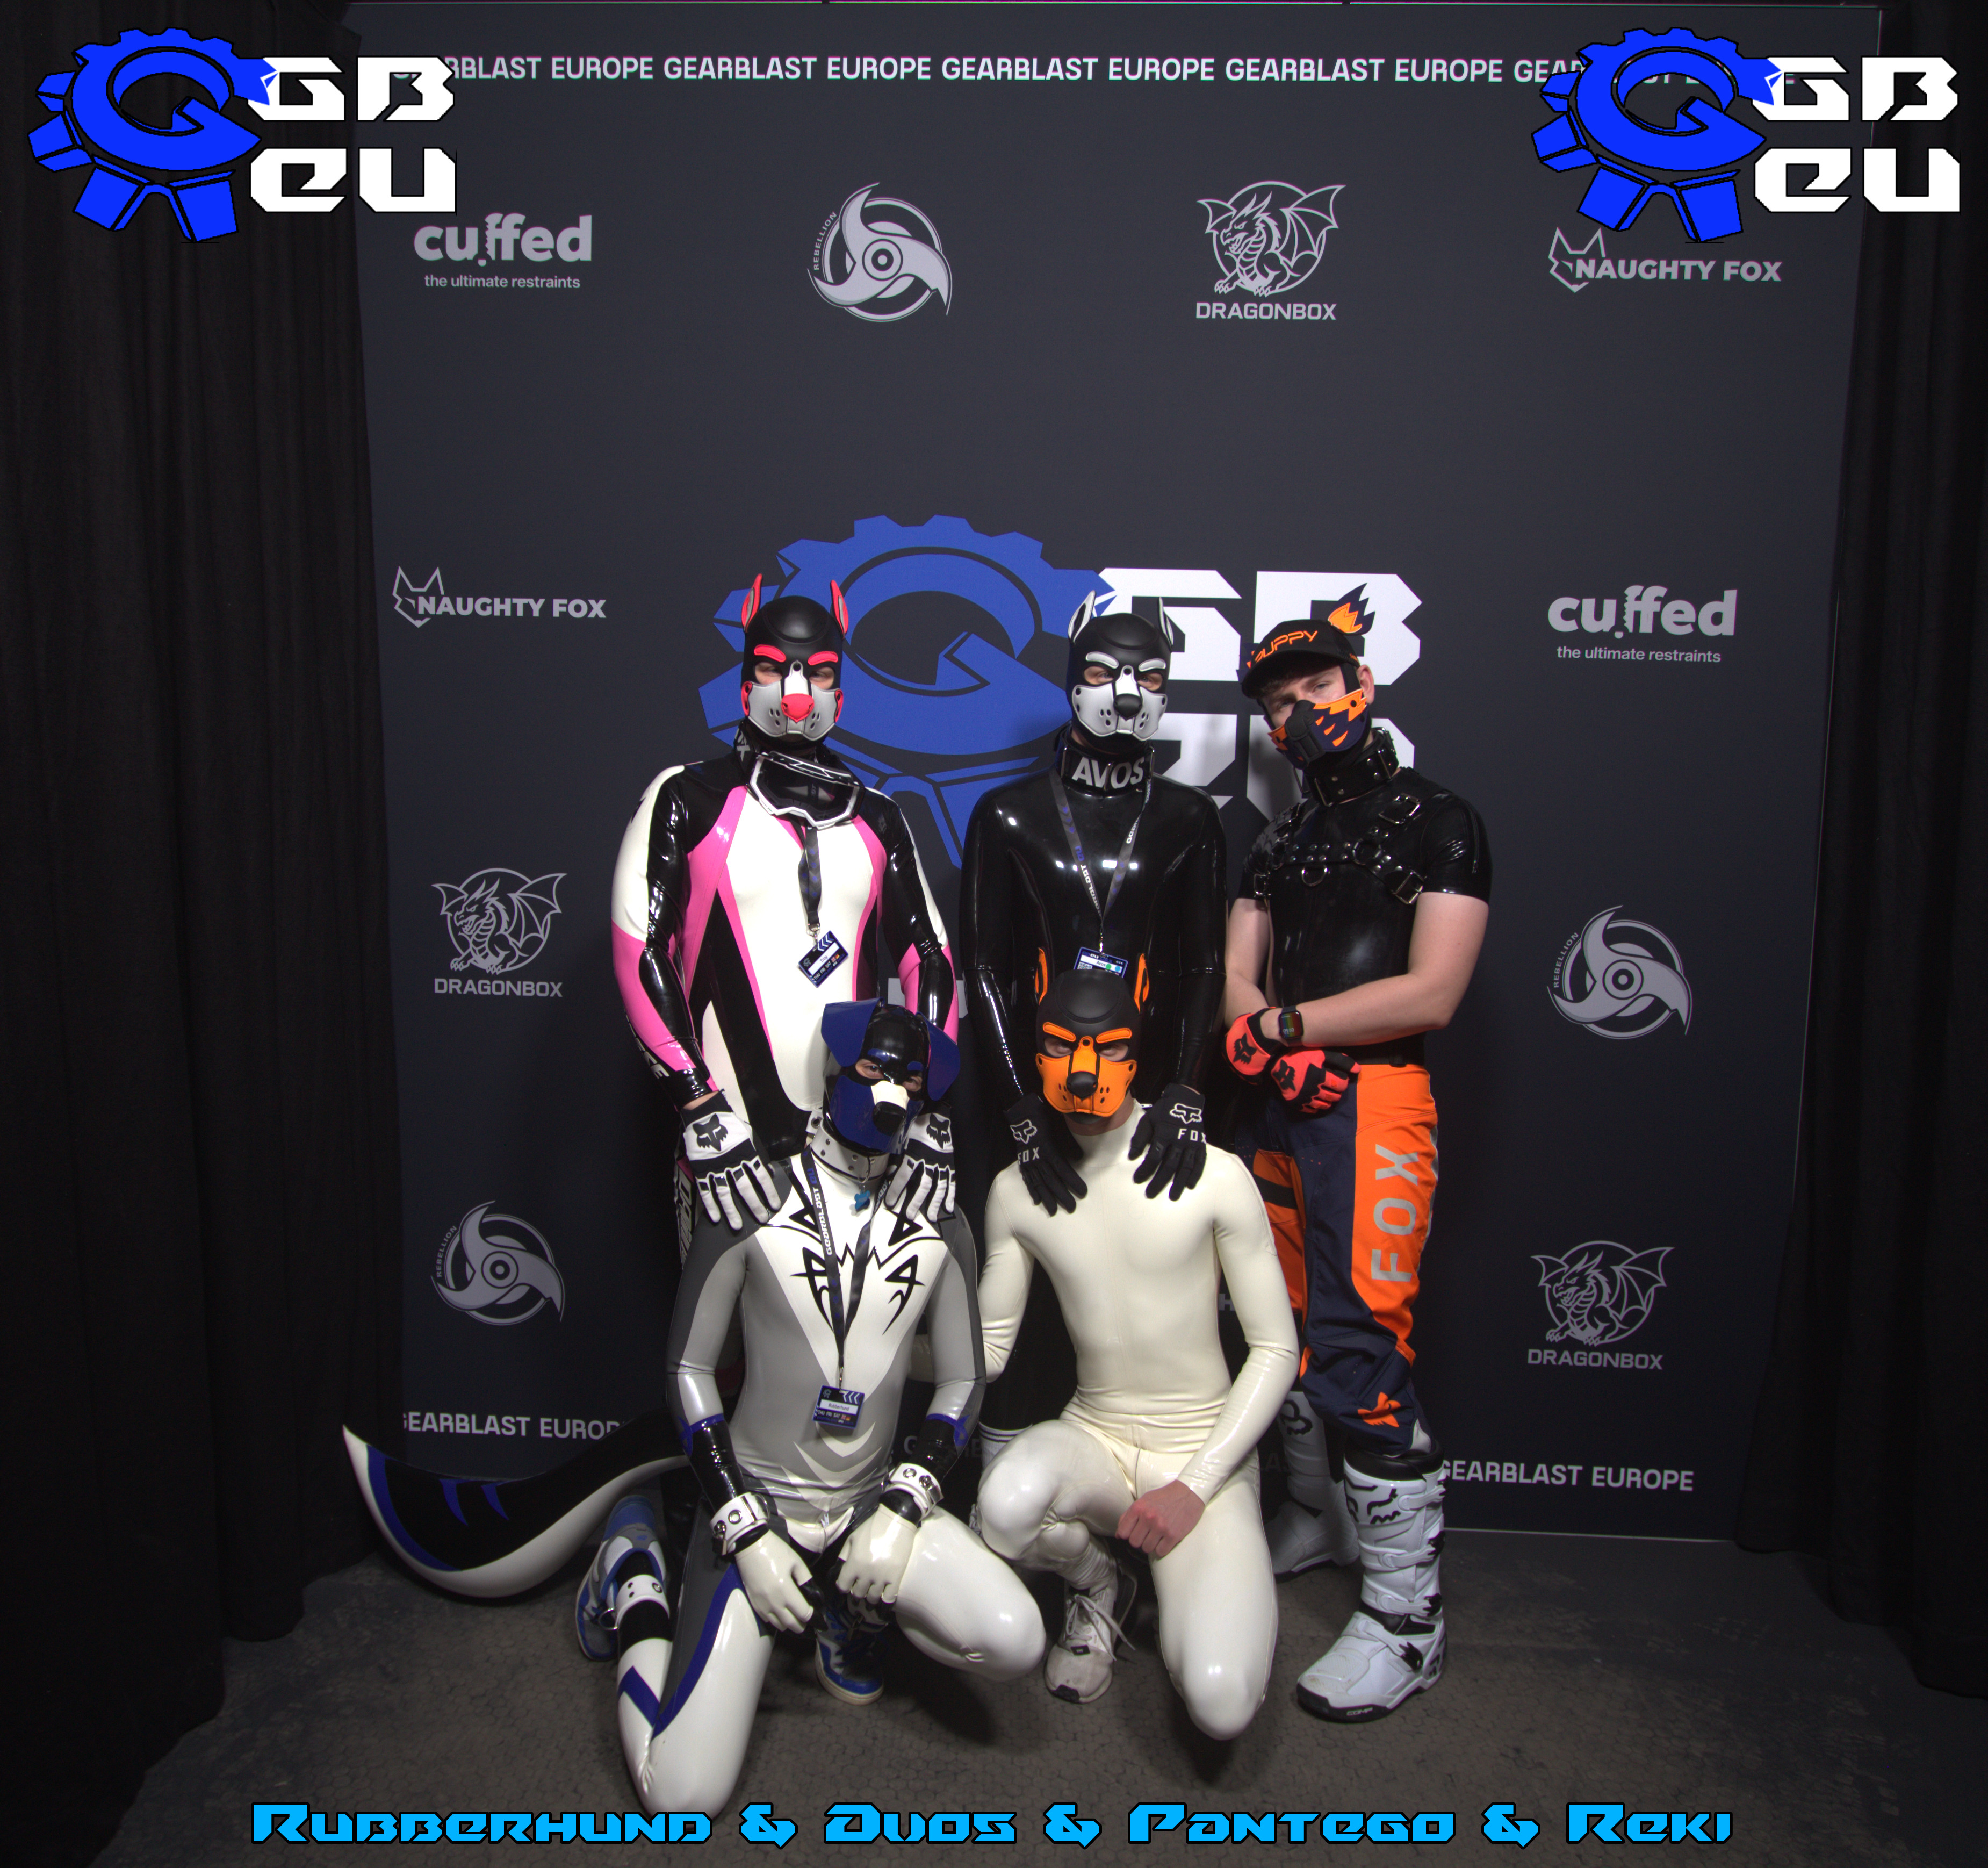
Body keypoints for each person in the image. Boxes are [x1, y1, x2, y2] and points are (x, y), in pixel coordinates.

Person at [575, 1000, 1045, 1817]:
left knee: (1016, 1636)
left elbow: (964, 1380)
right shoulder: (754, 1193)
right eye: (873, 1070)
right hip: (759, 1499)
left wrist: (905, 1503)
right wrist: (742, 1522)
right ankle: (636, 1579)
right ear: (834, 1072)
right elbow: (688, 1366)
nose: (890, 1094)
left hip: (868, 1499)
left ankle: (850, 1611)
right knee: (680, 1793)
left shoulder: (938, 1214)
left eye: (910, 1081)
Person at [1224, 601, 1491, 1722]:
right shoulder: (1278, 837)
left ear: (1361, 684)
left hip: (1374, 1101)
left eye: (1315, 689)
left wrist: (1289, 1029)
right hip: (1281, 1104)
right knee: (1278, 1327)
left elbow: (1433, 990)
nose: (1299, 714)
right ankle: (1314, 1514)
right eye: (1279, 704)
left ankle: (1405, 1621)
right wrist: (1263, 1038)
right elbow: (1237, 975)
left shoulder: (1440, 818)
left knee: (1358, 1347)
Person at [974, 969, 1296, 1740]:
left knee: (1220, 1701)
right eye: (1061, 1047)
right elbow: (988, 1349)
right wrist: (865, 1352)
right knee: (1004, 1510)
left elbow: (1276, 1347)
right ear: (1036, 1055)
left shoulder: (1213, 1174)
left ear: (1136, 1054)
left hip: (1202, 1449)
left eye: (1108, 1048)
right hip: (1097, 1435)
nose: (1084, 1070)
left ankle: (1187, 1574)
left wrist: (1197, 1485)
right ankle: (1099, 1583)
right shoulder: (1018, 1190)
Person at [959, 595, 1228, 1464]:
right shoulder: (1008, 815)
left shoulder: (1191, 819)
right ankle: (1005, 1497)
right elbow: (983, 971)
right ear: (1074, 681)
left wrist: (1183, 1091)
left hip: (1143, 1104)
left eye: (1149, 676)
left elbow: (1203, 967)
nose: (1127, 692)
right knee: (1019, 1294)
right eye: (1107, 673)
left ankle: (1128, 1489)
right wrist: (1019, 1112)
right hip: (1028, 1092)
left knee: (1140, 1288)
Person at [611, 581, 959, 1240]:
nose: (796, 691)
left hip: (862, 1135)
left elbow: (929, 956)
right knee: (723, 1307)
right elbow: (641, 949)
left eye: (818, 672)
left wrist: (931, 1106)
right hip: (729, 1136)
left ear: (840, 687)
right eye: (774, 667)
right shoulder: (686, 797)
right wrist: (697, 1102)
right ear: (746, 681)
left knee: (863, 1308)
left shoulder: (879, 816)